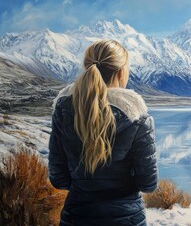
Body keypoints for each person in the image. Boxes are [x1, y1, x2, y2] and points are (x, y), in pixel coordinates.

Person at [48, 39, 158, 226]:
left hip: (77, 217)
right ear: (122, 72)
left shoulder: (63, 111)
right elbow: (148, 184)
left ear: (87, 67)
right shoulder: (137, 118)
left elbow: (58, 179)